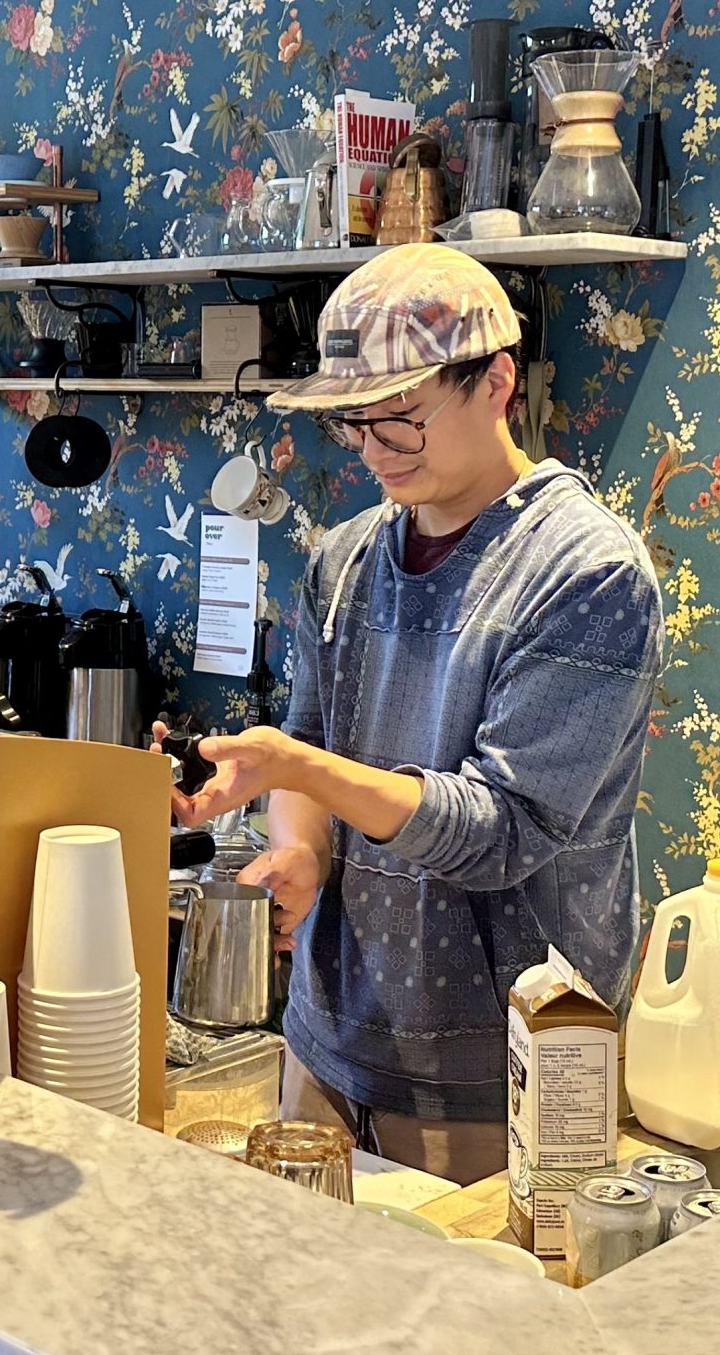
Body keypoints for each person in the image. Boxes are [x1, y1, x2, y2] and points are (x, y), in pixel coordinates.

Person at [170, 242, 663, 1182]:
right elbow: (311, 746)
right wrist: (301, 846)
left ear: (498, 383)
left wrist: (300, 770)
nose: (375, 451)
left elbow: (502, 833)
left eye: (402, 419)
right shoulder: (344, 558)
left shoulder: (586, 575)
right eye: (355, 425)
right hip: (324, 1042)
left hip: (503, 1074)